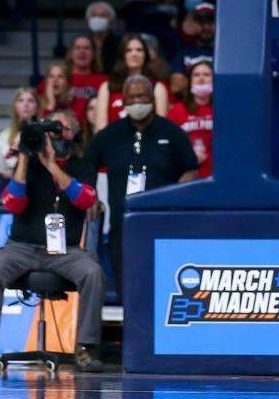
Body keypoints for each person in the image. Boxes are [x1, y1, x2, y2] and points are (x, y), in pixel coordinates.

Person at [0, 110, 104, 373]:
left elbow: (87, 200)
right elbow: (13, 203)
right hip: (21, 247)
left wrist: (52, 165)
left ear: (74, 134)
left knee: (93, 273)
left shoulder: (83, 164)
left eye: (61, 129)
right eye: (51, 130)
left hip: (65, 250)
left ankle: (86, 348)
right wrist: (24, 156)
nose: (54, 135)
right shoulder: (29, 163)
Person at [84, 74, 199, 289]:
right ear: (124, 101)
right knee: (125, 286)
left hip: (162, 222)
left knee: (161, 283)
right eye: (132, 97)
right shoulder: (110, 134)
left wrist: (175, 198)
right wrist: (91, 195)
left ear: (152, 100)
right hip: (122, 222)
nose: (137, 102)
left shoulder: (172, 132)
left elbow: (191, 170)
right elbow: (87, 163)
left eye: (142, 96)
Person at [92, 34, 170, 133]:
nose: (134, 54)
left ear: (145, 54)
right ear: (122, 55)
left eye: (139, 50)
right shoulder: (107, 87)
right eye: (129, 50)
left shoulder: (157, 88)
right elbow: (100, 128)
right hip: (114, 144)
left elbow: (162, 129)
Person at [0, 88, 39, 201]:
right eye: (21, 100)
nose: (25, 104)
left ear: (37, 107)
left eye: (30, 101)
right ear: (15, 106)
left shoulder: (45, 136)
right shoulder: (3, 137)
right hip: (12, 192)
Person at [167, 61, 213, 178]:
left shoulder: (222, 109)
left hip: (216, 173)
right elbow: (168, 143)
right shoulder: (177, 111)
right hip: (186, 173)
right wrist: (187, 156)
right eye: (196, 75)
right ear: (190, 80)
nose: (201, 78)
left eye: (206, 75)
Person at [169, 3, 215, 98]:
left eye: (210, 22)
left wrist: (192, 79)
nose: (206, 27)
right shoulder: (183, 53)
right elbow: (176, 87)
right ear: (193, 24)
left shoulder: (224, 54)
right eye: (201, 22)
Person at [85, 2, 120, 74]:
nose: (98, 18)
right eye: (94, 15)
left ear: (111, 20)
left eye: (103, 15)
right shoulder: (83, 42)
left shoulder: (120, 43)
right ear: (88, 20)